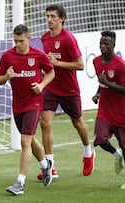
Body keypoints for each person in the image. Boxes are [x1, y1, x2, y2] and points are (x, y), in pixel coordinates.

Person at [0, 24, 55, 195]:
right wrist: (6, 76)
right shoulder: (7, 56)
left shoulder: (38, 55)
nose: (18, 44)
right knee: (29, 139)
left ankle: (19, 183)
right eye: (15, 41)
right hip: (18, 104)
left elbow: (51, 73)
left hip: (34, 103)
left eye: (21, 41)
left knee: (24, 141)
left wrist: (42, 85)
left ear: (28, 38)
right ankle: (45, 166)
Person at [38, 4, 95, 180]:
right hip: (50, 87)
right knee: (45, 123)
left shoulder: (68, 39)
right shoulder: (45, 38)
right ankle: (50, 166)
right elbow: (49, 63)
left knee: (77, 122)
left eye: (53, 16)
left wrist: (58, 63)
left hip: (69, 88)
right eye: (47, 16)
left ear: (62, 18)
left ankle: (88, 152)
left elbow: (80, 64)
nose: (49, 19)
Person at [92, 31, 125, 189]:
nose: (102, 46)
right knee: (100, 139)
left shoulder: (120, 65)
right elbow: (101, 80)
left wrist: (108, 84)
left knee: (124, 145)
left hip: (120, 111)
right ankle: (117, 155)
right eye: (101, 43)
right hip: (105, 109)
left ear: (113, 45)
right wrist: (98, 93)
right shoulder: (96, 61)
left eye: (106, 44)